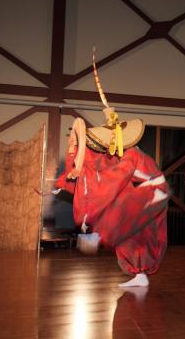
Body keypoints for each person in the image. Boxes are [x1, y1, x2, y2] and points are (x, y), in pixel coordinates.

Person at [56, 102, 169, 287]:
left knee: (120, 217)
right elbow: (99, 165)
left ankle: (99, 236)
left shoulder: (132, 155)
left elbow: (114, 177)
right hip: (141, 192)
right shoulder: (120, 155)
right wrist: (75, 166)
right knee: (130, 238)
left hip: (154, 192)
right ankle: (139, 275)